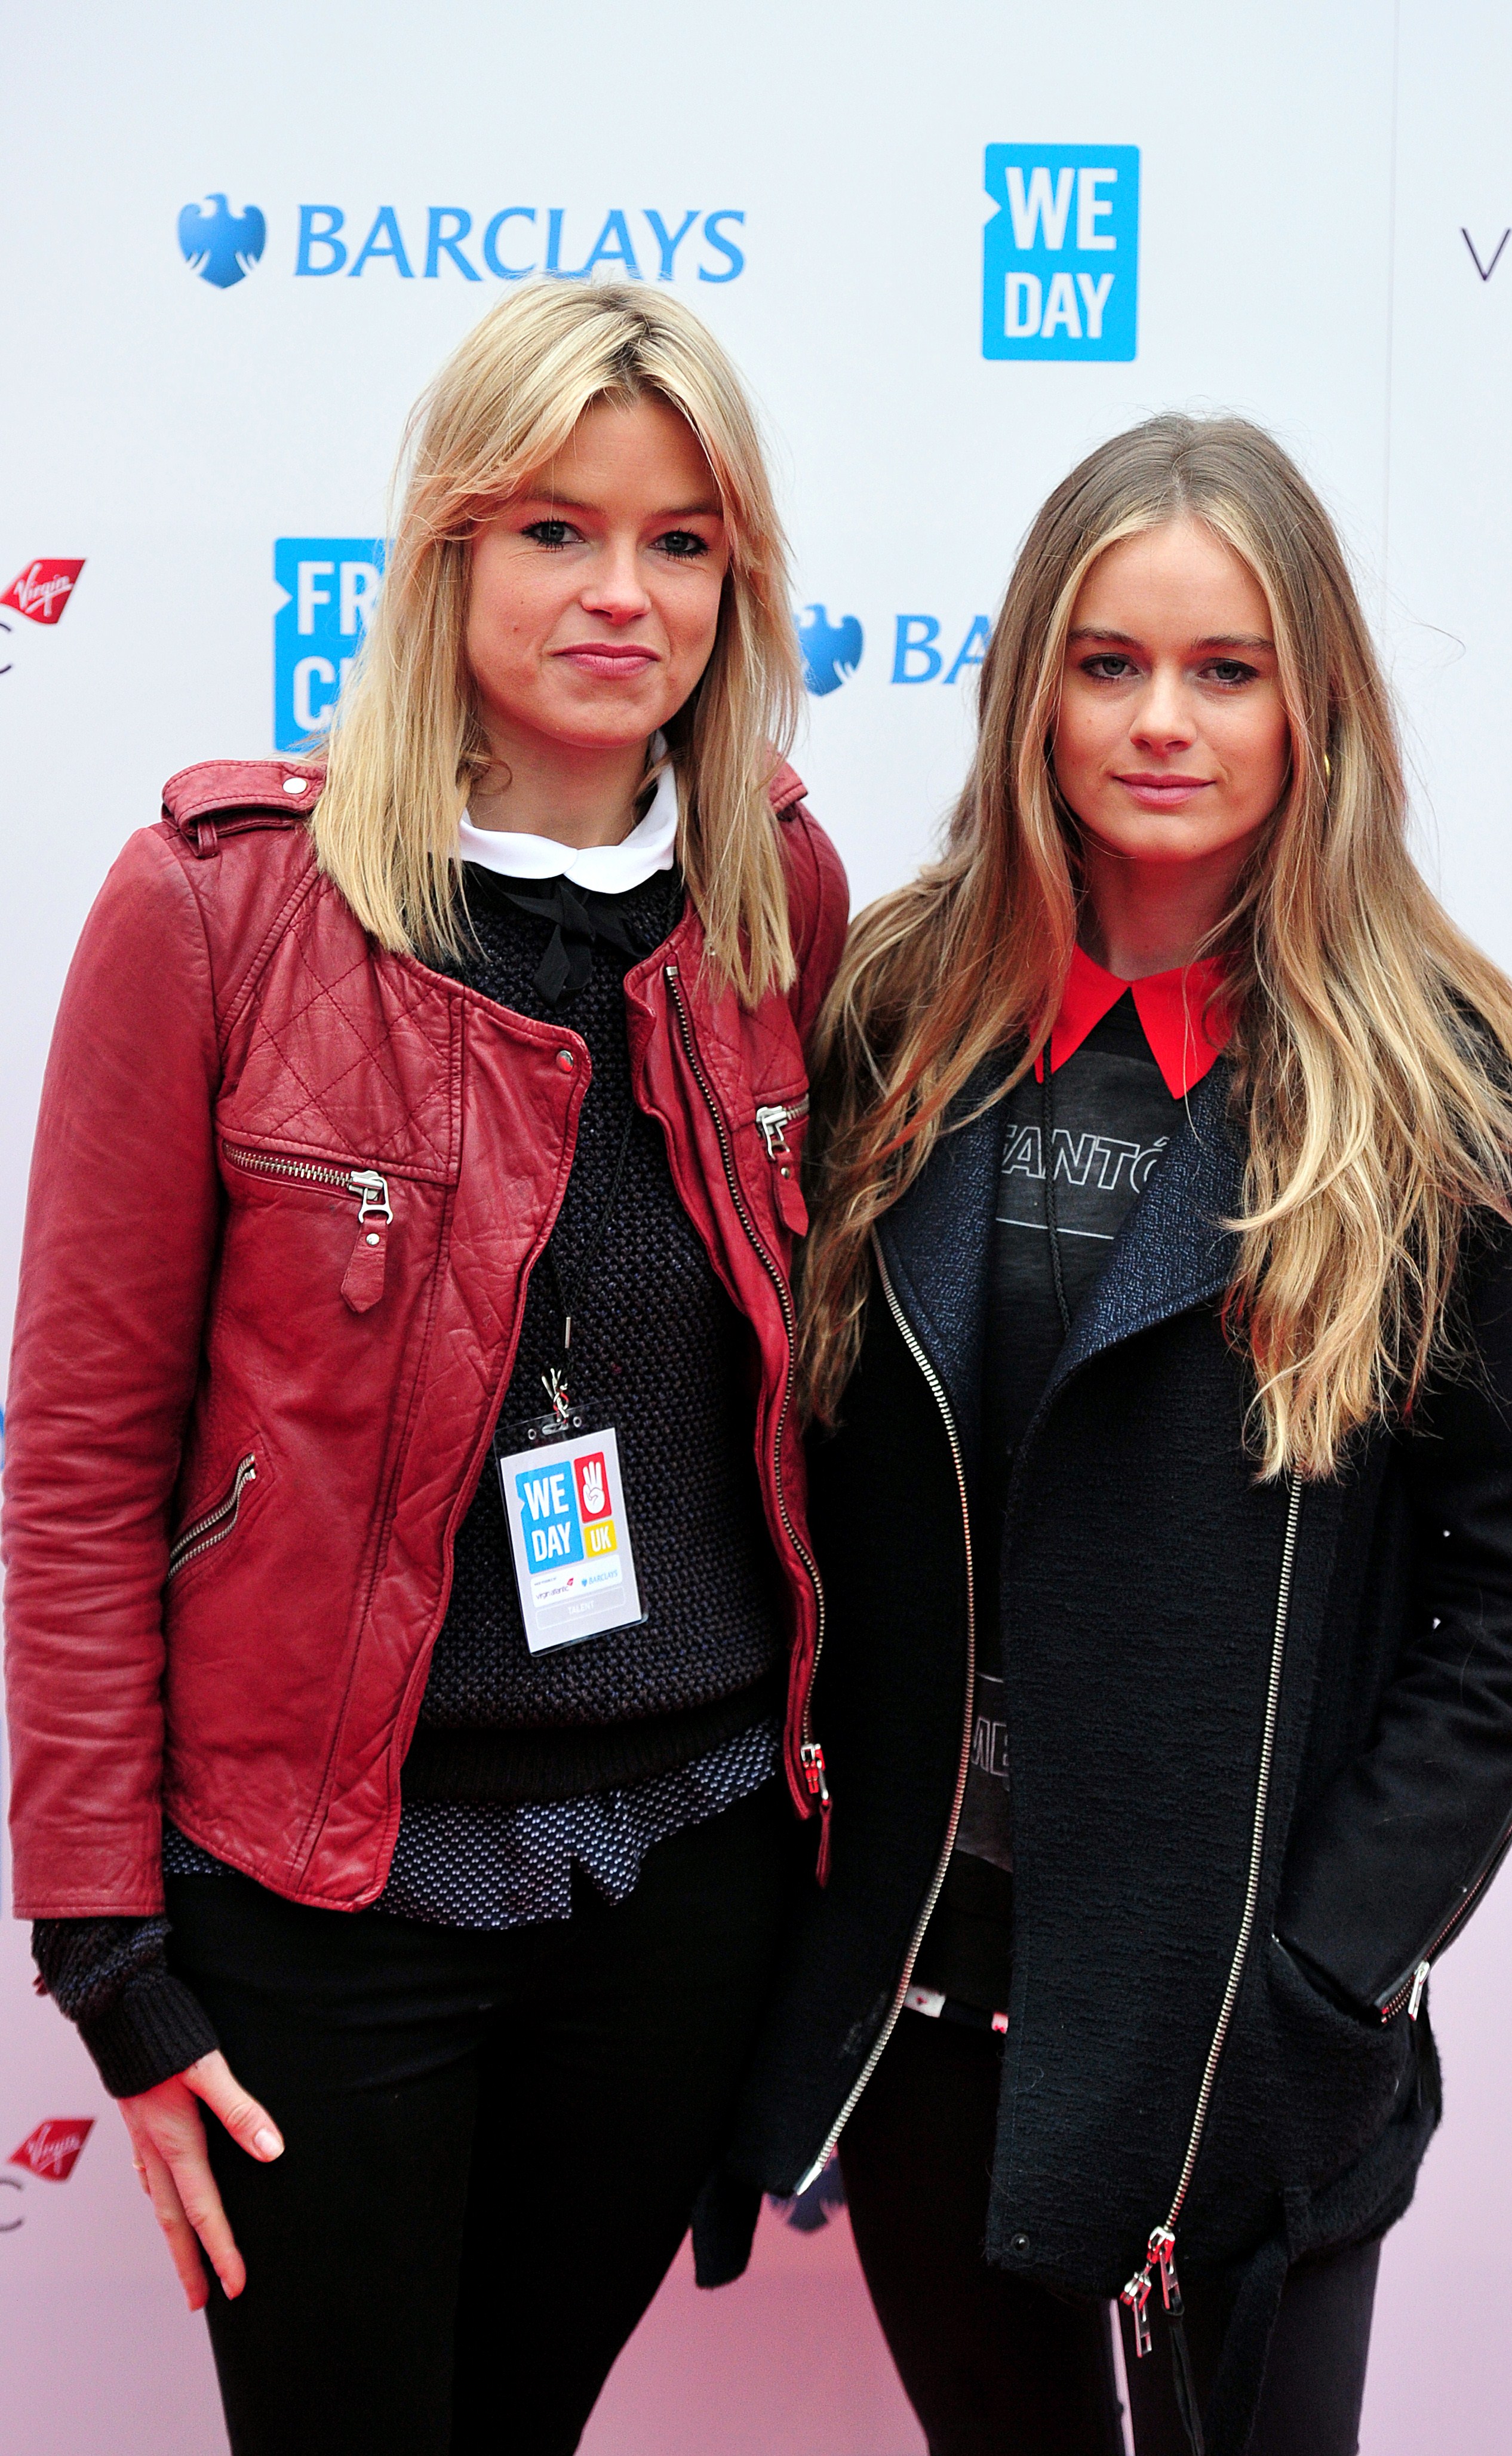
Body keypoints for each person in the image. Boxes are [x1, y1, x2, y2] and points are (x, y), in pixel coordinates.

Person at [4, 278, 846, 2456]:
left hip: (686, 1878)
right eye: (555, 526)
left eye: (679, 540)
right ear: (447, 548)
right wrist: (100, 1936)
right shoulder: (217, 911)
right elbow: (81, 1456)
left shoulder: (783, 900)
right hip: (325, 1900)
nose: (620, 590)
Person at [709, 416, 1512, 2456]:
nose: (1161, 723)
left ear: (1315, 706)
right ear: (1032, 680)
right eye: (1106, 663)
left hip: (1235, 2016)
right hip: (927, 2004)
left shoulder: (1436, 1074)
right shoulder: (898, 1008)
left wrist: (1333, 1968)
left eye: (1224, 670)